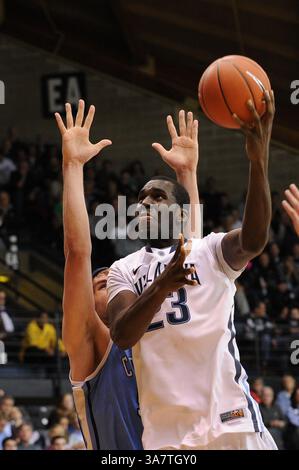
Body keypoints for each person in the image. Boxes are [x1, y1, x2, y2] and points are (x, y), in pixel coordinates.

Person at [107, 91, 278, 450]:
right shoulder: (123, 270)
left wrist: (258, 160)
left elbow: (254, 239)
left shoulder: (209, 250)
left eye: (157, 197)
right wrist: (160, 287)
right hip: (166, 438)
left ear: (181, 213)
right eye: (140, 199)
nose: (145, 203)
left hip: (232, 421)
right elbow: (122, 335)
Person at [55, 100, 200, 450]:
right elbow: (77, 254)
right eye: (100, 283)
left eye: (113, 279)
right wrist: (72, 166)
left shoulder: (150, 336)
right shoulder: (90, 344)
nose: (108, 277)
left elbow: (189, 255)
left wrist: (187, 176)